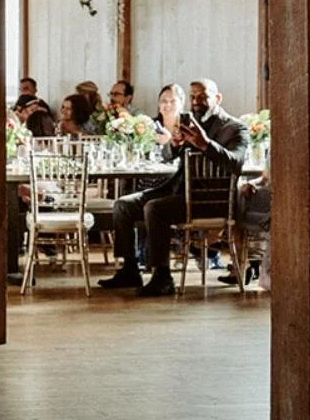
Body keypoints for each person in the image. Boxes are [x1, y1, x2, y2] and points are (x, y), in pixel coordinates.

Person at [98, 78, 248, 297]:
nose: (196, 101)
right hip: (177, 190)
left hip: (210, 199)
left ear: (218, 98)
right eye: (194, 97)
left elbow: (236, 162)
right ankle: (129, 269)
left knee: (155, 208)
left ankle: (162, 276)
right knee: (123, 205)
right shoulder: (190, 121)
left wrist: (205, 144)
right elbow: (167, 156)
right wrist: (174, 144)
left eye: (202, 97)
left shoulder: (234, 128)